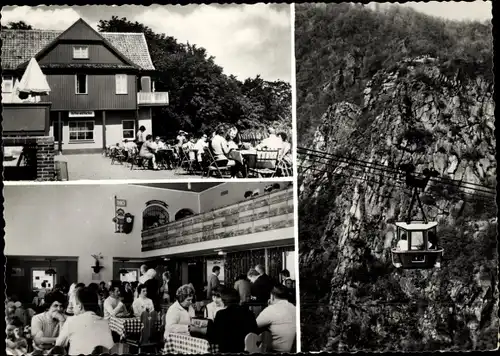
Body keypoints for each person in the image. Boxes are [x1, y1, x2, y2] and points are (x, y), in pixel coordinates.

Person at [55, 287, 114, 355]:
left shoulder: (71, 321)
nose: (72, 307)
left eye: (73, 304)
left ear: (79, 306)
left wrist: (61, 322)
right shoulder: (105, 323)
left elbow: (58, 345)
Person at [207, 288, 258, 353]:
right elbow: (255, 333)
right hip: (247, 351)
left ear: (223, 301)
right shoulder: (249, 313)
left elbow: (216, 337)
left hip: (227, 350)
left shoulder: (221, 314)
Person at [256, 284, 296, 352]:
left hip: (275, 351)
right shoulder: (294, 308)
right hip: (293, 350)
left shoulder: (271, 310)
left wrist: (268, 307)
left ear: (272, 297)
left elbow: (254, 325)